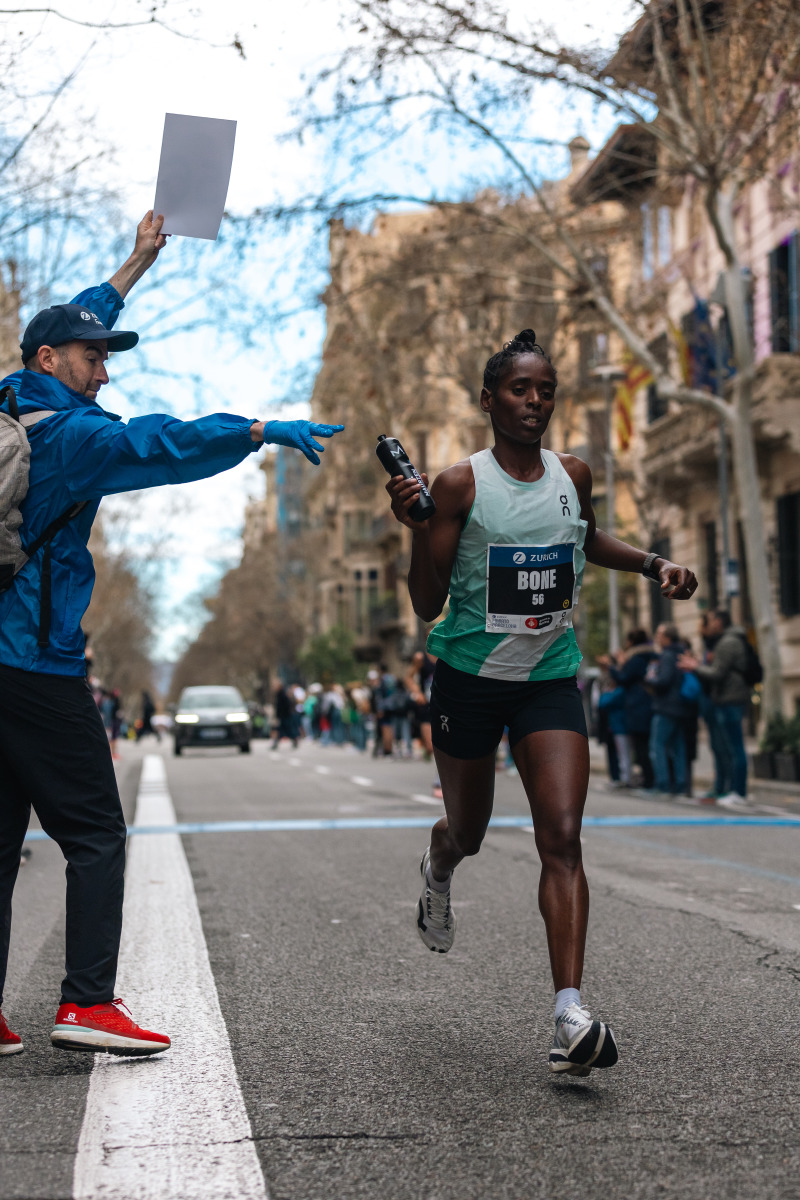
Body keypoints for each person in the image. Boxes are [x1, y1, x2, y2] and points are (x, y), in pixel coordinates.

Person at [0, 212, 344, 1059]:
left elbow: (73, 316)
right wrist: (257, 430)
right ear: (51, 362)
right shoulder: (76, 438)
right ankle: (84, 1004)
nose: (104, 371)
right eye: (93, 358)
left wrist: (134, 264)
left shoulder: (13, 401)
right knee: (93, 833)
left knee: (0, 840)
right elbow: (164, 446)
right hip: (34, 662)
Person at [386, 329, 697, 1076]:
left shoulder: (574, 473)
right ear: (490, 401)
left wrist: (654, 563)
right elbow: (427, 604)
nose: (535, 403)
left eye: (546, 390)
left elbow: (584, 539)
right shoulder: (460, 485)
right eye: (520, 391)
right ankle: (438, 862)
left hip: (550, 679)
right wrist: (418, 528)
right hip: (469, 680)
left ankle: (568, 1012)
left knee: (562, 836)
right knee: (470, 830)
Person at [679, 610, 752, 807]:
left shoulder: (728, 642)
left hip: (730, 699)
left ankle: (738, 791)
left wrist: (695, 667)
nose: (706, 624)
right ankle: (727, 788)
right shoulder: (723, 641)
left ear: (719, 622)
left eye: (710, 620)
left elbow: (718, 673)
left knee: (734, 747)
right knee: (725, 746)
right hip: (724, 699)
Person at [599, 629, 656, 790]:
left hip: (638, 706)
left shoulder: (636, 659)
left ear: (631, 641)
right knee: (645, 745)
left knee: (641, 746)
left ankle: (649, 780)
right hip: (647, 705)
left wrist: (613, 667)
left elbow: (623, 678)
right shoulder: (651, 655)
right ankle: (649, 778)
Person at [646, 623, 694, 796]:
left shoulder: (666, 656)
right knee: (677, 746)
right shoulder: (680, 653)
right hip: (679, 706)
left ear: (667, 637)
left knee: (657, 746)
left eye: (659, 634)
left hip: (665, 707)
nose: (657, 638)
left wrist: (651, 679)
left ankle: (663, 784)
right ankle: (680, 784)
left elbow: (664, 681)